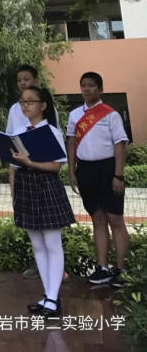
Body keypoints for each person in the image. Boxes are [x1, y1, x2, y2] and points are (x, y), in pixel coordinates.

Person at [11, 86, 75, 316]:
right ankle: (48, 296)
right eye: (22, 101)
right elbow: (14, 166)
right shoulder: (18, 131)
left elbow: (56, 166)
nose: (25, 105)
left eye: (31, 101)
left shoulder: (51, 132)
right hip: (26, 187)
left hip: (46, 187)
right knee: (37, 246)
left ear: (43, 106)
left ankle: (53, 299)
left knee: (52, 244)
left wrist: (31, 163)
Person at [66, 71, 129, 288]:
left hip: (108, 169)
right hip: (86, 170)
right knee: (98, 219)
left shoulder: (110, 114)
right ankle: (102, 268)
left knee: (116, 220)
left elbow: (120, 144)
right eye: (83, 86)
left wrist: (118, 175)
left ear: (100, 89)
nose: (87, 89)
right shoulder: (74, 115)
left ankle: (121, 270)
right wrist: (72, 171)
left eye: (91, 85)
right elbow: (72, 143)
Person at [6, 65, 41, 279]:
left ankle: (56, 267)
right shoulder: (13, 109)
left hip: (42, 168)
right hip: (21, 169)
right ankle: (37, 264)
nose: (23, 83)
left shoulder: (45, 106)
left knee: (48, 224)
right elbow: (10, 141)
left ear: (35, 80)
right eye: (19, 80)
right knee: (30, 222)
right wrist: (12, 181)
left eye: (27, 78)